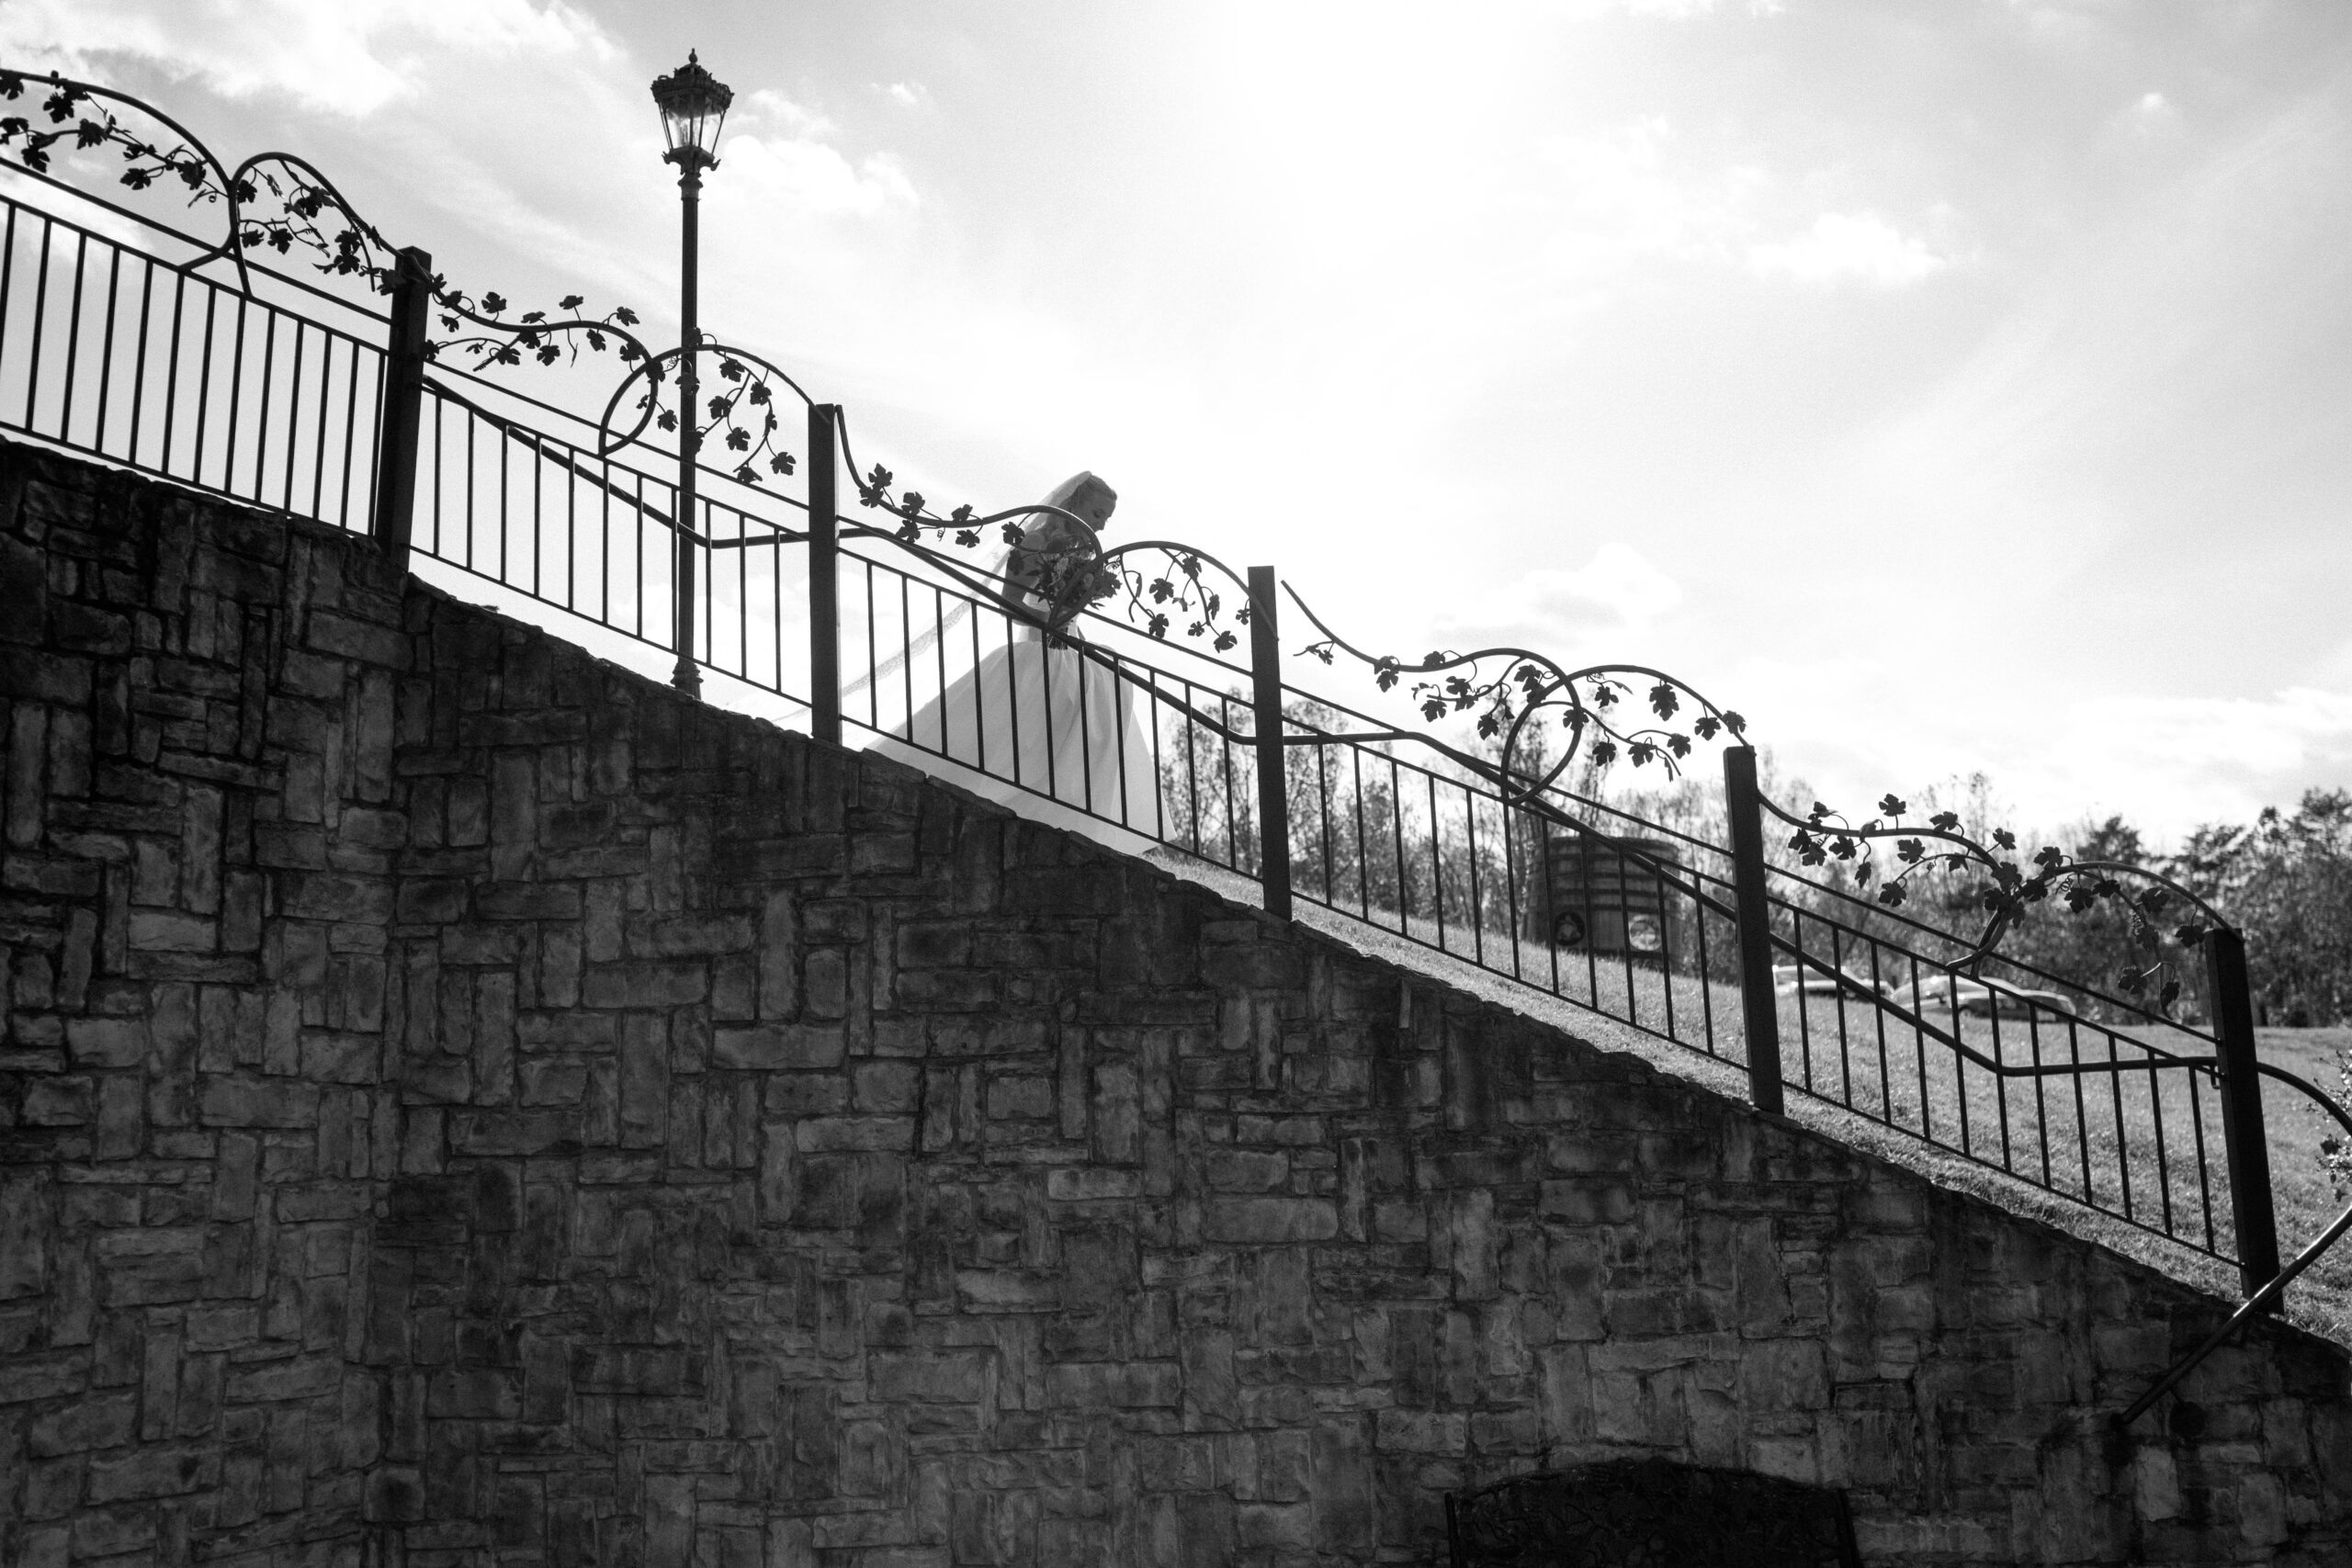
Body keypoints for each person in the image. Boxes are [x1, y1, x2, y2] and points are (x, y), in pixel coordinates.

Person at [862, 472, 1160, 847]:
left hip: (1068, 650)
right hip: (1036, 648)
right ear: (1073, 504)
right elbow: (1011, 605)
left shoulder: (1082, 554)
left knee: (1111, 686)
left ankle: (1073, 819)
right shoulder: (1035, 542)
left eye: (1106, 519)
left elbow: (1071, 612)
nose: (1100, 525)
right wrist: (1048, 621)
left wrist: (1076, 635)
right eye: (1097, 513)